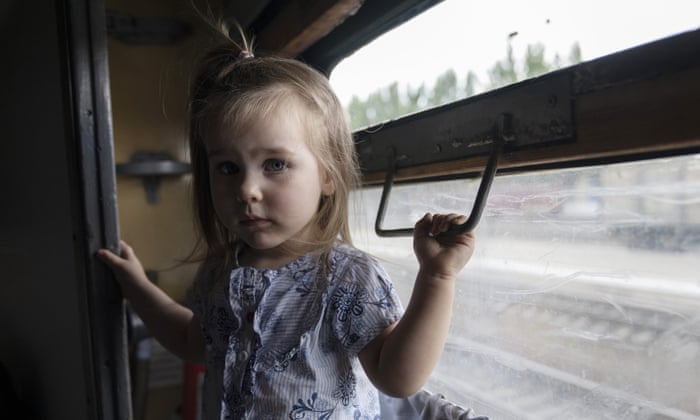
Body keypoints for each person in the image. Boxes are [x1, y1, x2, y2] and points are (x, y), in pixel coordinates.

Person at [97, 27, 476, 420]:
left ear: (328, 175)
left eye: (275, 165)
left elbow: (398, 377)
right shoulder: (221, 268)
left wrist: (436, 278)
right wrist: (137, 287)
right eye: (227, 168)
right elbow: (193, 339)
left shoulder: (346, 277)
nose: (246, 189)